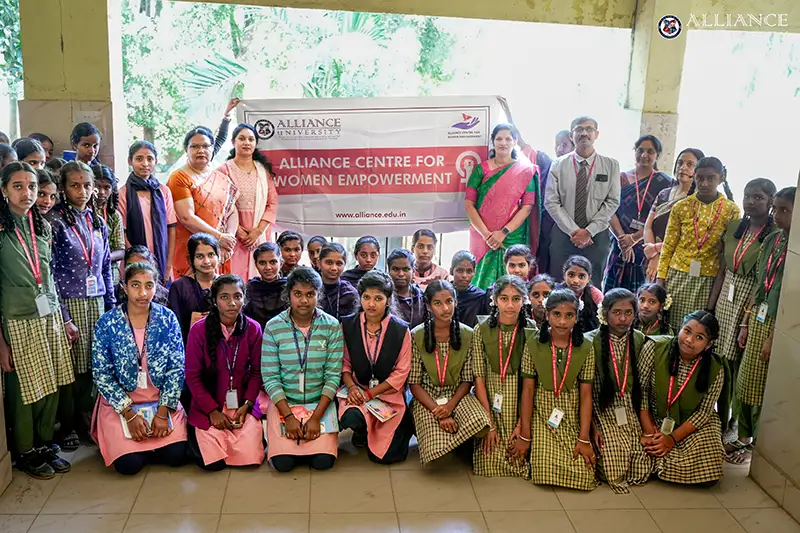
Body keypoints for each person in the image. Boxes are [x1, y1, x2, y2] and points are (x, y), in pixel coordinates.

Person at [0, 162, 74, 478]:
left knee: (53, 382)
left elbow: (48, 275)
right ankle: (25, 450)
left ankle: (44, 443)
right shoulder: (2, 229)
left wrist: (62, 317)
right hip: (17, 318)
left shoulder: (40, 225)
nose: (27, 193)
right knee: (26, 390)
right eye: (18, 186)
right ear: (3, 190)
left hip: (49, 313)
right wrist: (1, 342)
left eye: (31, 186)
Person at [91, 261, 188, 475]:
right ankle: (132, 441)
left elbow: (176, 368)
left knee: (176, 456)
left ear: (156, 287)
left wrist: (163, 413)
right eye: (135, 285)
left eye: (149, 285)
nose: (143, 293)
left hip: (160, 399)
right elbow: (101, 374)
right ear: (124, 287)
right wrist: (130, 415)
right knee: (129, 465)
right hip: (121, 405)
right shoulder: (107, 322)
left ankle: (150, 440)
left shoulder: (167, 319)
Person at [48, 161, 115, 451]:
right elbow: (48, 272)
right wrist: (64, 317)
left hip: (97, 301)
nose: (84, 191)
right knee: (73, 368)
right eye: (75, 185)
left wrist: (112, 305)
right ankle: (70, 422)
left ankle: (92, 416)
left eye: (87, 185)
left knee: (95, 362)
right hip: (70, 304)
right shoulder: (55, 222)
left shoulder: (96, 220)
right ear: (62, 188)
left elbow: (105, 268)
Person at [730, 186, 795, 465]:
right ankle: (743, 437)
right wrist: (745, 323)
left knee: (760, 389)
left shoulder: (795, 250)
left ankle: (756, 445)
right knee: (745, 381)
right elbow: (760, 285)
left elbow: (785, 297)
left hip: (777, 326)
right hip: (757, 316)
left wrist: (771, 337)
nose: (777, 215)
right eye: (776, 209)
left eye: (784, 210)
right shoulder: (772, 240)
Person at [708, 178, 776, 439]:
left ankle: (736, 423)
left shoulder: (771, 236)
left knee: (738, 363)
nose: (750, 201)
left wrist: (747, 320)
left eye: (758, 197)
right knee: (721, 360)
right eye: (747, 195)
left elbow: (761, 282)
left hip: (749, 300)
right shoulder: (735, 227)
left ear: (770, 201)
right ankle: (720, 415)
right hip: (727, 295)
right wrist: (710, 307)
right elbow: (722, 270)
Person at [261, 267, 344, 472]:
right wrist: (289, 417)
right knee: (283, 465)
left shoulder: (331, 326)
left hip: (320, 405)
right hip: (285, 404)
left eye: (310, 294)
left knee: (323, 463)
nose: (304, 300)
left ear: (318, 295)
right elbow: (270, 377)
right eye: (298, 294)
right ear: (288, 295)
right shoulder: (273, 327)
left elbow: (333, 376)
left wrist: (316, 417)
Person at [185, 274, 265, 470]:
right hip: (208, 406)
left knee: (250, 458)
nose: (232, 303)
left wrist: (246, 405)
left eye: (238, 296)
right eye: (224, 297)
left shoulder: (253, 329)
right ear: (214, 300)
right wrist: (212, 411)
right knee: (213, 464)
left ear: (244, 299)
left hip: (241, 404)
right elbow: (192, 376)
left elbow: (257, 373)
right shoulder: (199, 330)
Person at [521, 289, 597, 490]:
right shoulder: (533, 344)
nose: (562, 321)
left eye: (569, 315)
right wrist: (525, 435)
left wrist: (584, 437)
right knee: (543, 470)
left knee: (584, 474)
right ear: (546, 315)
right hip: (543, 412)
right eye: (557, 314)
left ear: (576, 317)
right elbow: (528, 391)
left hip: (571, 412)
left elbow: (586, 394)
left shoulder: (586, 347)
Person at [638, 310, 725, 486]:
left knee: (710, 471)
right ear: (680, 329)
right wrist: (649, 429)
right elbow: (641, 392)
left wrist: (672, 439)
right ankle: (665, 463)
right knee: (633, 455)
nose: (689, 340)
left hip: (690, 424)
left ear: (708, 345)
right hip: (651, 417)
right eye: (687, 331)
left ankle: (666, 463)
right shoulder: (654, 348)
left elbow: (704, 412)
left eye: (699, 337)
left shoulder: (716, 368)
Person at [409, 282, 490, 466]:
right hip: (428, 397)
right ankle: (456, 440)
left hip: (457, 395)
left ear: (455, 302)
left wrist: (450, 406)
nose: (445, 309)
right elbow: (414, 384)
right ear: (429, 307)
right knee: (434, 449)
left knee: (481, 421)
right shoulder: (416, 335)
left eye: (449, 301)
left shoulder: (468, 334)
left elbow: (467, 380)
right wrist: (440, 413)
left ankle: (458, 439)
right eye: (438, 303)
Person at [656, 157, 739, 332]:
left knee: (697, 331)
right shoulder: (682, 206)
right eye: (700, 178)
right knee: (672, 330)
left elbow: (728, 252)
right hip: (677, 275)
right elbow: (669, 246)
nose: (704, 183)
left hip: (709, 280)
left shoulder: (731, 210)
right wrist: (660, 281)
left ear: (721, 178)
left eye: (711, 178)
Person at [340, 271, 413, 464]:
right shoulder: (348, 325)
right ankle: (362, 430)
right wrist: (353, 387)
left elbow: (401, 372)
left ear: (388, 301)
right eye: (366, 297)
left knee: (388, 457)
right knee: (351, 416)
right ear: (360, 298)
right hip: (358, 390)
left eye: (378, 298)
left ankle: (399, 429)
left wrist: (372, 394)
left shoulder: (400, 330)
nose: (371, 304)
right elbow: (344, 363)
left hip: (387, 394)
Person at [589, 288, 652, 494]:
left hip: (630, 407)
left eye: (628, 313)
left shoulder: (640, 339)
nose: (623, 318)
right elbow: (585, 391)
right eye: (617, 312)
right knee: (613, 464)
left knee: (641, 467)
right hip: (602, 408)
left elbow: (643, 386)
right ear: (605, 314)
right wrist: (593, 426)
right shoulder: (590, 341)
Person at [472, 276, 534, 478]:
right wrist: (488, 423)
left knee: (520, 459)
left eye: (516, 299)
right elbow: (479, 378)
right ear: (495, 300)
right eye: (504, 298)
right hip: (488, 401)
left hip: (520, 405)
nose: (510, 305)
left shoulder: (531, 330)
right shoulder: (481, 329)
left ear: (524, 300)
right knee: (487, 462)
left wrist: (522, 427)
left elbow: (530, 384)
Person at [545, 116, 621, 280]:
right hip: (563, 236)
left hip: (596, 237)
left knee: (592, 287)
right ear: (572, 135)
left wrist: (589, 231)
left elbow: (612, 201)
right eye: (579, 129)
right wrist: (574, 231)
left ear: (596, 134)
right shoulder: (558, 165)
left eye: (589, 129)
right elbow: (551, 201)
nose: (584, 133)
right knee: (559, 285)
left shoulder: (611, 165)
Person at [465, 123, 539, 289]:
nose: (503, 143)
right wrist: (487, 235)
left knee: (513, 282)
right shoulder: (480, 170)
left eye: (508, 139)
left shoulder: (524, 171)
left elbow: (527, 207)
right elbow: (469, 204)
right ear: (493, 142)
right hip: (483, 235)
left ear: (515, 141)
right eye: (499, 139)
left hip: (512, 235)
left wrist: (504, 232)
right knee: (481, 281)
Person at [167, 126, 239, 279]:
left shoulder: (222, 178)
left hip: (220, 250)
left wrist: (228, 240)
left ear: (212, 149)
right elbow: (186, 218)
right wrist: (219, 238)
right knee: (191, 296)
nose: (201, 150)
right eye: (195, 146)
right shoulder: (179, 178)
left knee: (221, 294)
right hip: (191, 250)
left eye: (206, 146)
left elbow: (232, 211)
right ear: (186, 150)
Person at [605, 135, 674, 291]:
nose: (644, 155)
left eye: (650, 151)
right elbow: (609, 209)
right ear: (634, 151)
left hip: (647, 246)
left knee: (643, 294)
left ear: (657, 155)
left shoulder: (666, 183)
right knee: (612, 293)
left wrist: (634, 239)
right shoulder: (620, 178)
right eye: (640, 150)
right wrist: (623, 239)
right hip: (619, 243)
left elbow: (662, 220)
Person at [216, 123, 278, 280]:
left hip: (260, 233)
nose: (247, 143)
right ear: (233, 142)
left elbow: (272, 204)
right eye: (242, 138)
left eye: (251, 139)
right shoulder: (223, 170)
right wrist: (240, 232)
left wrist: (257, 232)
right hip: (234, 235)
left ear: (255, 144)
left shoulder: (263, 171)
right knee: (235, 280)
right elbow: (220, 206)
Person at [497, 98, 550, 273]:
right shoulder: (540, 158)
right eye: (558, 144)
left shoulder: (547, 161)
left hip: (550, 222)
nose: (560, 147)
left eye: (565, 144)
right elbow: (520, 142)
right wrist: (508, 116)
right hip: (532, 217)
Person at [118, 141, 178, 283]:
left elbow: (171, 230)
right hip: (134, 262)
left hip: (162, 261)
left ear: (156, 161)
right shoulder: (123, 193)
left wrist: (168, 266)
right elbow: (122, 232)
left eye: (150, 159)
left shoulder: (163, 191)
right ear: (130, 161)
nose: (145, 163)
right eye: (139, 159)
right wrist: (138, 260)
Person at [643, 149, 704, 282]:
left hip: (677, 264)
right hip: (651, 260)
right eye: (680, 163)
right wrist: (653, 256)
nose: (683, 167)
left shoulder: (698, 200)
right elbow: (648, 227)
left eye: (690, 164)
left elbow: (687, 238)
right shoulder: (664, 194)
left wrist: (657, 250)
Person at [168, 233, 218, 343]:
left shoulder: (226, 285)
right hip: (190, 347)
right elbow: (173, 326)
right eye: (200, 256)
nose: (207, 261)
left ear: (218, 256)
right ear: (190, 260)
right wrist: (191, 323)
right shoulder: (180, 287)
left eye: (211, 255)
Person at [93, 165, 126, 286]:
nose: (101, 192)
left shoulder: (114, 215)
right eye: (97, 186)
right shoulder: (82, 213)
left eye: (107, 188)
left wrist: (101, 258)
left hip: (109, 270)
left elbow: (120, 251)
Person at [243, 242, 287, 329]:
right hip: (256, 337)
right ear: (256, 265)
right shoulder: (250, 288)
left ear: (281, 263)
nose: (268, 267)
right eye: (262, 263)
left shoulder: (289, 287)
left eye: (273, 262)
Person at [559, 255, 602, 332]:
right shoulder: (556, 293)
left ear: (588, 278)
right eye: (571, 275)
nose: (575, 280)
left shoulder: (595, 295)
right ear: (564, 275)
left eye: (581, 276)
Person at [317, 242, 358, 321]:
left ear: (344, 265)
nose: (334, 268)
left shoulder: (349, 293)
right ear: (319, 263)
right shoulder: (311, 289)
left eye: (339, 263)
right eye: (329, 262)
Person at [450, 250, 489, 328]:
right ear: (451, 271)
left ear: (474, 273)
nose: (464, 275)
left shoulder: (480, 297)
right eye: (460, 270)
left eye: (469, 271)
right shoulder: (444, 293)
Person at [387, 248, 425, 329]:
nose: (401, 274)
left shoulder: (422, 298)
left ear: (413, 271)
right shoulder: (384, 297)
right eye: (395, 269)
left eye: (406, 269)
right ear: (388, 271)